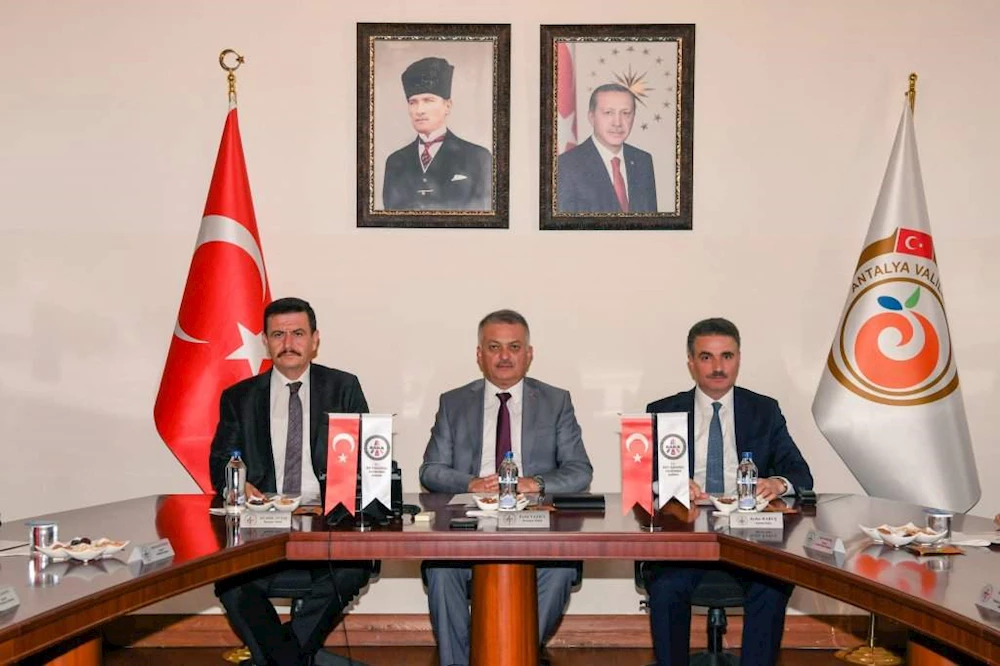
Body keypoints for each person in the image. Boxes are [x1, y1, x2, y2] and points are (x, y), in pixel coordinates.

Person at [419, 309, 593, 666]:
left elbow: (580, 471)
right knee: (440, 570)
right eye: (494, 347)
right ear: (479, 354)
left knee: (560, 570)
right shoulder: (453, 402)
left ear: (529, 354)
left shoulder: (556, 401)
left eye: (514, 347)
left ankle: (513, 652)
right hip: (469, 520)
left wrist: (537, 483)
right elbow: (431, 470)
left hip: (535, 524)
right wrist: (469, 482)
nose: (504, 356)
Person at [209, 297, 373, 666]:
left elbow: (366, 458)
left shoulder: (343, 387)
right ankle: (292, 659)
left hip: (326, 519)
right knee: (230, 582)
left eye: (298, 333)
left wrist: (338, 495)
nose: (288, 343)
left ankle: (278, 658)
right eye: (278, 335)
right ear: (265, 342)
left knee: (352, 569)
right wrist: (237, 483)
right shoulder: (239, 397)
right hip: (261, 525)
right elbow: (220, 462)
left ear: (315, 339)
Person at [643, 317, 813, 666]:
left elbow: (800, 474)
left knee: (772, 585)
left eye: (727, 356)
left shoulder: (764, 410)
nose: (718, 367)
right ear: (691, 362)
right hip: (685, 535)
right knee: (666, 586)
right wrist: (671, 486)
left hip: (751, 539)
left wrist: (777, 483)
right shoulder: (663, 411)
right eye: (706, 357)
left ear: (739, 359)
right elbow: (642, 479)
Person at [382, 56, 492, 211]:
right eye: (413, 102)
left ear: (447, 106)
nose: (419, 110)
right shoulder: (395, 162)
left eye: (428, 100)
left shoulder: (478, 158)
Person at [557, 82, 657, 214]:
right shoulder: (566, 165)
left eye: (626, 113)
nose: (617, 123)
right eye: (608, 113)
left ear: (633, 117)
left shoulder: (643, 161)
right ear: (591, 117)